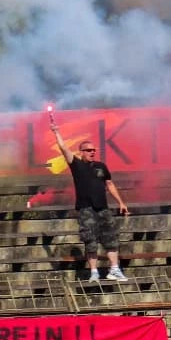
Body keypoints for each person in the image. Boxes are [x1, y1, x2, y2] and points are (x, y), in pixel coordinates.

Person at [50, 113, 130, 282]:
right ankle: (93, 272)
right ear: (82, 152)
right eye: (88, 150)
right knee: (90, 240)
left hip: (103, 207)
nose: (92, 152)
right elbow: (64, 148)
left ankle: (114, 269)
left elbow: (109, 184)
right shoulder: (77, 164)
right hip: (86, 208)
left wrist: (121, 203)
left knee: (110, 238)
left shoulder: (101, 166)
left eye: (94, 150)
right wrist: (56, 132)